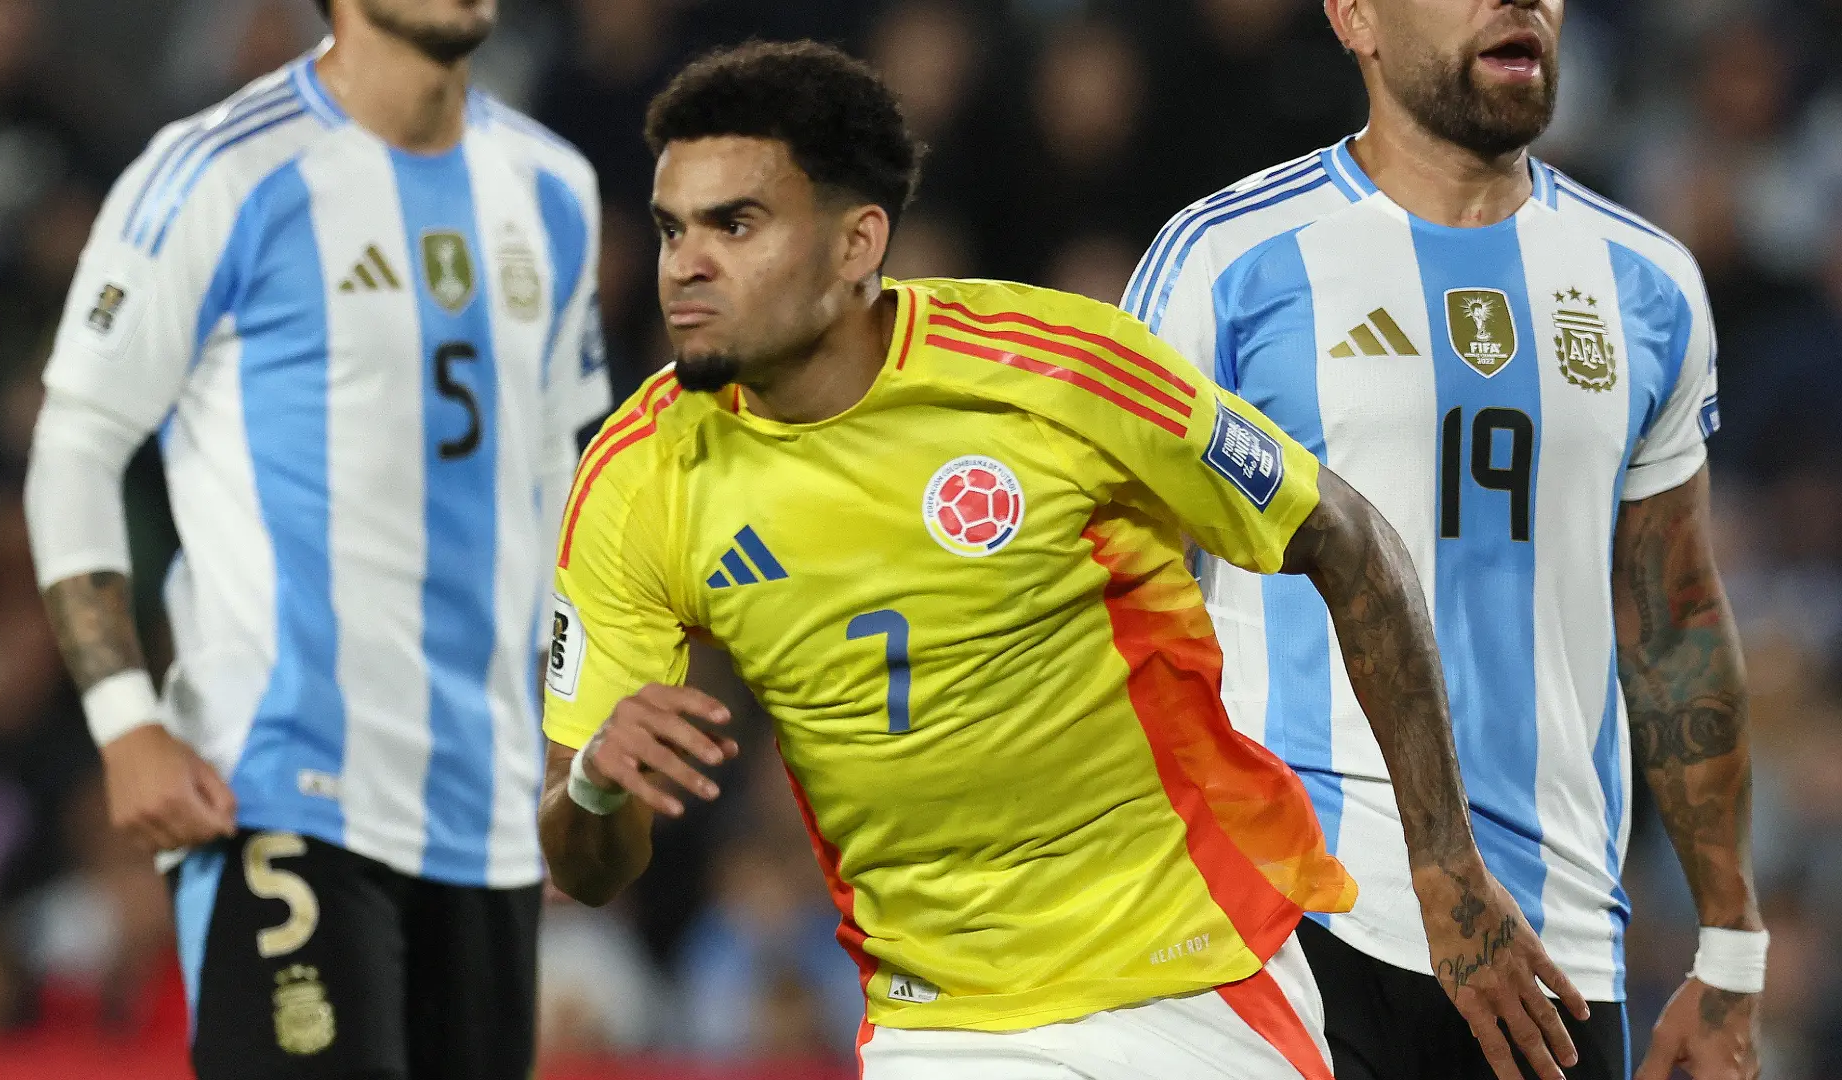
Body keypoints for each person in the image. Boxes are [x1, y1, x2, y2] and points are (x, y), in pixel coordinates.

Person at [538, 40, 1584, 1080]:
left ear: (859, 243)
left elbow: (1351, 545)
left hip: (1188, 977)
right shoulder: (637, 479)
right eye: (674, 228)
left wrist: (1444, 860)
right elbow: (586, 868)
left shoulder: (1054, 374)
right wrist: (591, 785)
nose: (685, 263)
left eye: (736, 224)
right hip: (940, 1021)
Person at [1123, 2, 1764, 1079]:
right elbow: (1115, 580)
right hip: (1277, 923)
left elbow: (1677, 624)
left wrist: (1730, 952)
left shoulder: (1646, 281)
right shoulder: (1223, 259)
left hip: (1554, 956)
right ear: (1356, 17)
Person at [22, 0, 609, 1075]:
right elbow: (77, 440)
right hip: (279, 781)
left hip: (490, 810)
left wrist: (573, 728)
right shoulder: (219, 172)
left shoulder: (554, 187)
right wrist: (124, 721)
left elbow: (565, 482)